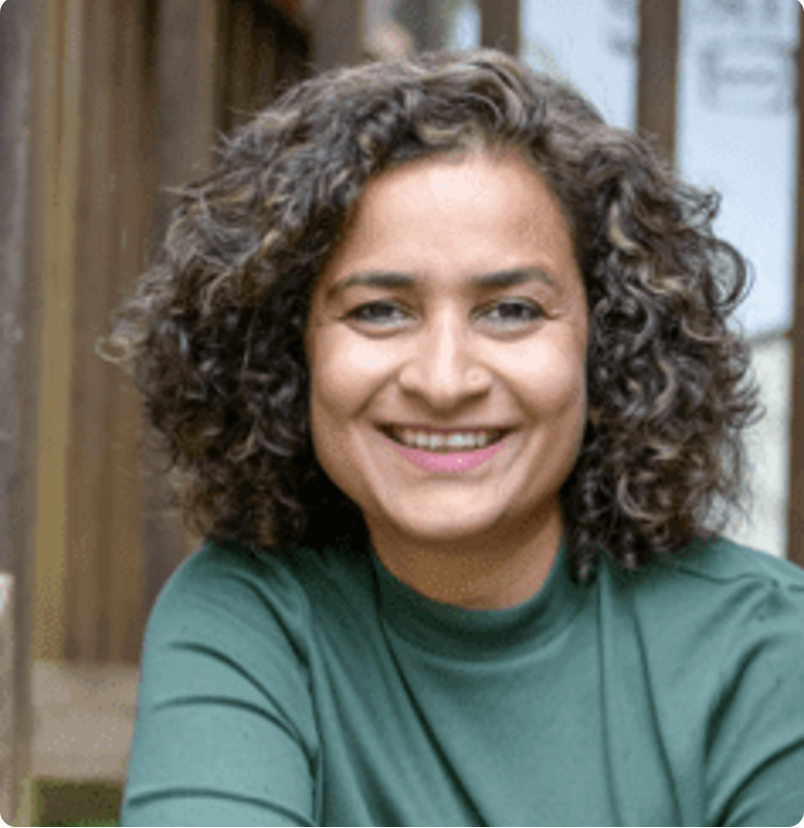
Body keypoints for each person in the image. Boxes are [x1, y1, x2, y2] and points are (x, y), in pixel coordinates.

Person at [97, 50, 804, 827]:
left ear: (606, 349)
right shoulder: (248, 616)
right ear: (286, 353)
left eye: (511, 311)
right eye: (378, 310)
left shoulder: (767, 650)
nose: (444, 380)